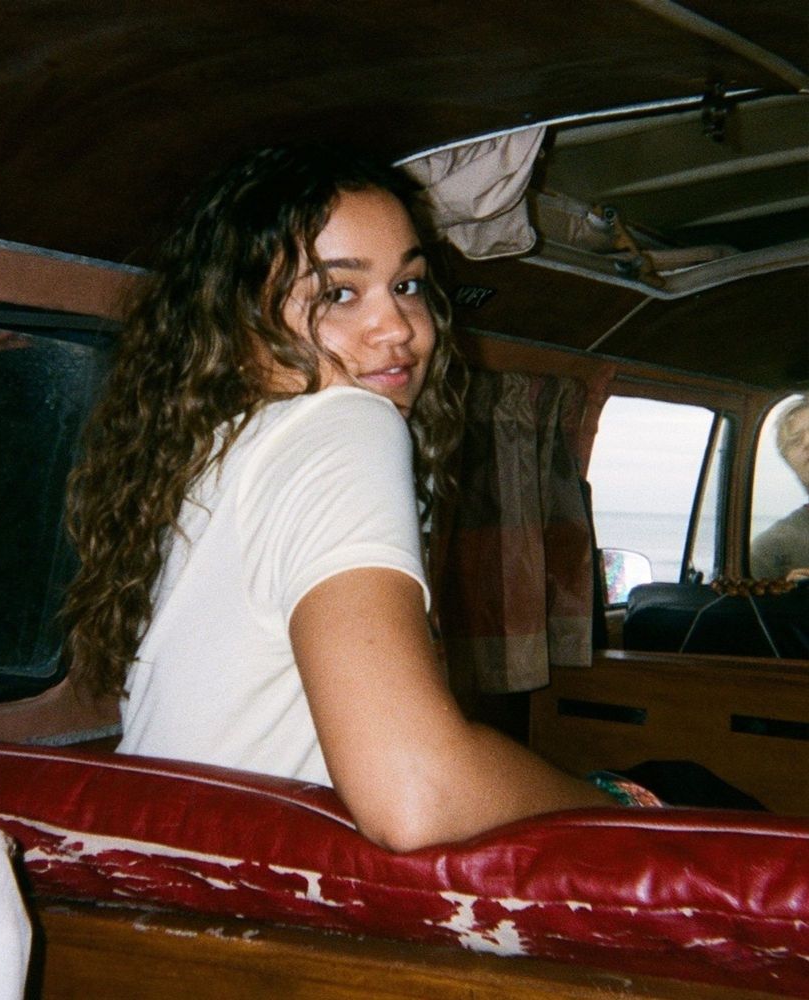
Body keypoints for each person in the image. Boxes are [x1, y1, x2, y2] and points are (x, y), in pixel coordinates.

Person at [62, 144, 618, 853]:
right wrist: (622, 809)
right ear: (235, 317)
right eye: (338, 294)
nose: (400, 328)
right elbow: (415, 792)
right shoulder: (346, 422)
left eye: (408, 285)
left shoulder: (221, 445)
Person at [750, 395, 809, 582]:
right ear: (789, 461)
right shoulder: (769, 550)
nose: (807, 442)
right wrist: (790, 596)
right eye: (795, 440)